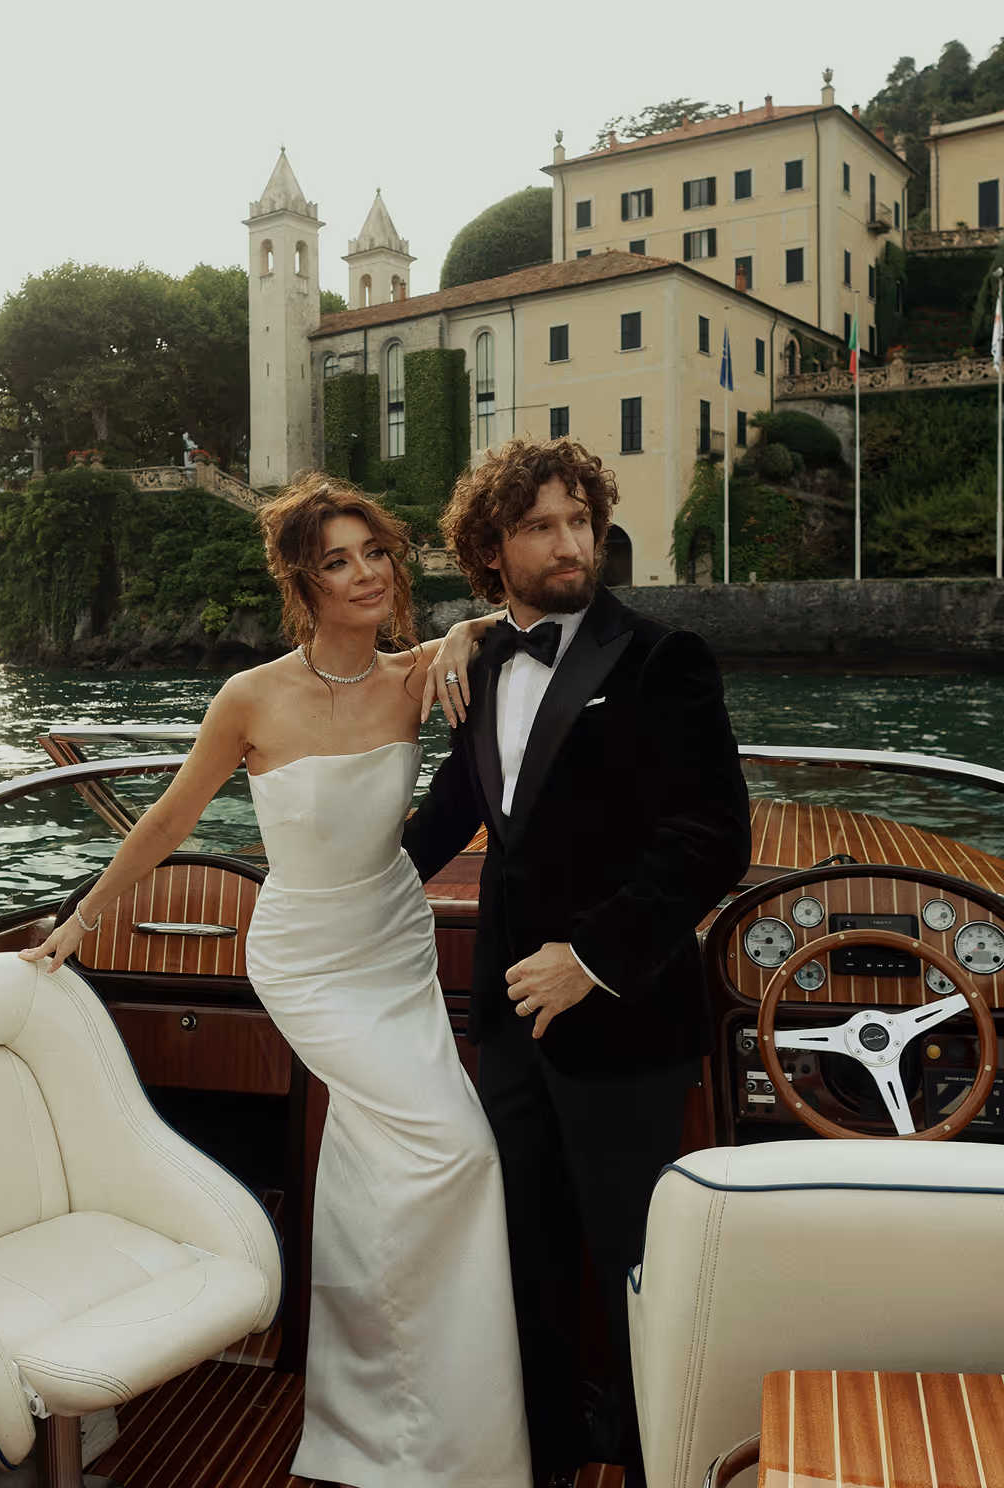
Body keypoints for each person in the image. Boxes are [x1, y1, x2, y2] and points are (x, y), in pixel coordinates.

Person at [20, 475, 532, 1488]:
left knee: (371, 1166)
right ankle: (418, 1413)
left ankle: (401, 1414)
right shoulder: (249, 697)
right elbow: (167, 822)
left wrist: (474, 624)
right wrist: (82, 920)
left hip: (394, 940)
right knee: (461, 1150)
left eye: (375, 553)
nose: (365, 575)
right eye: (337, 561)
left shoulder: (421, 673)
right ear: (303, 583)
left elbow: (512, 629)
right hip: (304, 958)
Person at [405, 437, 751, 1488]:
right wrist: (330, 902)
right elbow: (451, 819)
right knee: (530, 1261)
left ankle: (660, 1463)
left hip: (623, 1022)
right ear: (491, 549)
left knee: (637, 1272)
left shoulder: (661, 657)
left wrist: (589, 959)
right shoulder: (474, 661)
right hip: (504, 1024)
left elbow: (709, 839)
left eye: (580, 521)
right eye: (540, 526)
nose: (569, 544)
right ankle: (545, 1456)